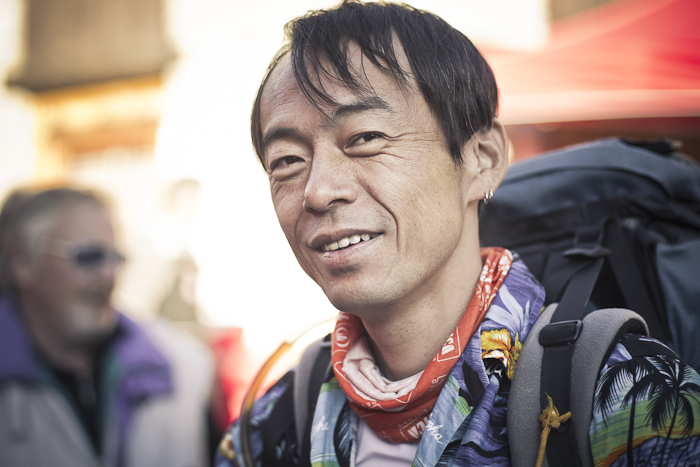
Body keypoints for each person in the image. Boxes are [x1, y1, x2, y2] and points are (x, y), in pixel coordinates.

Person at [216, 1, 700, 466]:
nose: (318, 191)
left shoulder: (632, 403)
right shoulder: (273, 426)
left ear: (482, 159)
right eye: (287, 161)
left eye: (365, 138)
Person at [0, 186, 214, 467]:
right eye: (88, 256)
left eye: (116, 259)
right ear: (22, 261)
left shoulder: (181, 366)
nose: (109, 276)